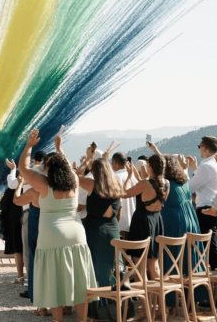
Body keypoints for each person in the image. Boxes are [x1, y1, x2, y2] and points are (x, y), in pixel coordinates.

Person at [19, 129, 95, 322]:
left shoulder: (44, 185)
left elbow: (23, 169)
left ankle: (58, 320)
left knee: (53, 280)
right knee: (79, 281)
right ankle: (81, 320)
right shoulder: (75, 182)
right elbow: (68, 167)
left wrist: (29, 146)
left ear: (48, 169)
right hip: (77, 233)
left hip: (51, 235)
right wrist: (60, 149)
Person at [77, 156, 128, 321]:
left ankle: (98, 314)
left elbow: (72, 177)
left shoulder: (92, 184)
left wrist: (84, 163)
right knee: (114, 271)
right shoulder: (116, 185)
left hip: (95, 231)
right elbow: (118, 212)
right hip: (113, 229)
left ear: (95, 170)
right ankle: (118, 310)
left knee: (96, 272)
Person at [158, 150, 203, 311]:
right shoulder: (183, 181)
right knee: (188, 258)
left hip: (173, 220)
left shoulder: (165, 183)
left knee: (172, 257)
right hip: (190, 219)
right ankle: (191, 298)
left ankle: (172, 300)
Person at [122, 152, 169, 282]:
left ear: (148, 165)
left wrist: (129, 177)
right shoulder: (167, 184)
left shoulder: (145, 184)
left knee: (139, 268)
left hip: (142, 223)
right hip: (157, 222)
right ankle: (159, 300)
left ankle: (145, 302)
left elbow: (124, 193)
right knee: (154, 267)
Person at [187, 136, 217, 270]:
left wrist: (183, 171)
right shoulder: (214, 166)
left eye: (199, 147)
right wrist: (195, 170)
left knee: (211, 252)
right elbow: (206, 182)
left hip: (205, 211)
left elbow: (189, 188)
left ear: (205, 148)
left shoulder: (205, 166)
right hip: (216, 209)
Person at [13, 162, 43, 314]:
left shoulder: (34, 191)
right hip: (48, 228)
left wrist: (19, 186)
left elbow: (16, 200)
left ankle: (38, 298)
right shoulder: (55, 189)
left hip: (34, 226)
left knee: (32, 258)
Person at [0, 169, 25, 283]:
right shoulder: (31, 188)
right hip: (28, 218)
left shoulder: (11, 190)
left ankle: (20, 275)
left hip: (14, 220)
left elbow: (2, 205)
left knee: (18, 249)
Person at [110, 152, 136, 238]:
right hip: (133, 221)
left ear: (114, 161)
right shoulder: (133, 177)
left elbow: (118, 204)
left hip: (120, 224)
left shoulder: (115, 177)